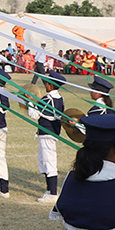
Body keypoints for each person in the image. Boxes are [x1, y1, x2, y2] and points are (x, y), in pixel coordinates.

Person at [27, 72, 68, 202]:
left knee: (49, 162)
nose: (45, 85)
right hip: (50, 133)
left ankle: (53, 193)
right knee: (43, 160)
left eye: (47, 83)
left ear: (51, 85)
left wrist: (29, 102)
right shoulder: (59, 98)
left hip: (47, 133)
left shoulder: (48, 99)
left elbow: (35, 115)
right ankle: (50, 189)